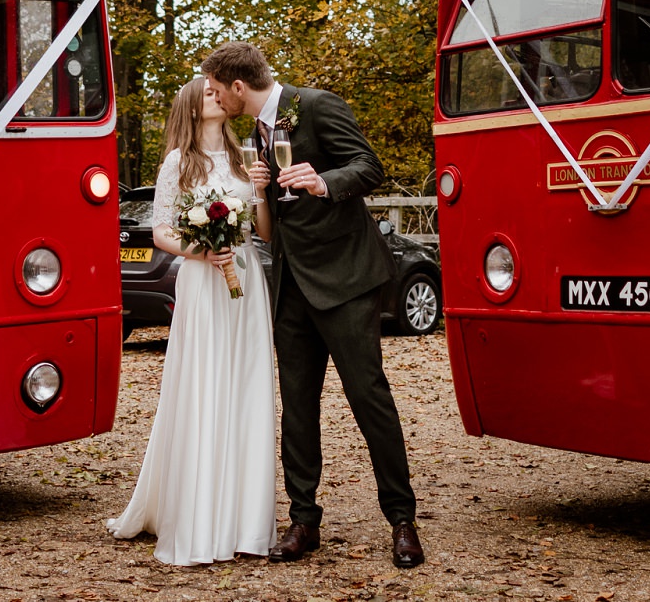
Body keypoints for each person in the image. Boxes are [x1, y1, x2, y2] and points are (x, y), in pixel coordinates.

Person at [199, 42, 425, 570]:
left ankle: (402, 520)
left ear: (238, 87)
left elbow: (370, 165)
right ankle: (304, 521)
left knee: (369, 399)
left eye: (218, 88)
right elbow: (275, 217)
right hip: (291, 287)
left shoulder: (317, 105)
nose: (215, 98)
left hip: (345, 280)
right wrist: (258, 195)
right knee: (297, 407)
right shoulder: (255, 134)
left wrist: (325, 182)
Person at [106, 78, 278, 565]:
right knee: (204, 386)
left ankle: (245, 521)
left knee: (246, 388)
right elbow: (161, 230)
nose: (216, 95)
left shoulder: (247, 157)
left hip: (245, 283)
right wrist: (199, 249)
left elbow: (262, 233)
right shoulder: (177, 162)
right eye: (206, 91)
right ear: (191, 105)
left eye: (218, 90)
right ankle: (200, 516)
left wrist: (262, 194)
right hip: (202, 283)